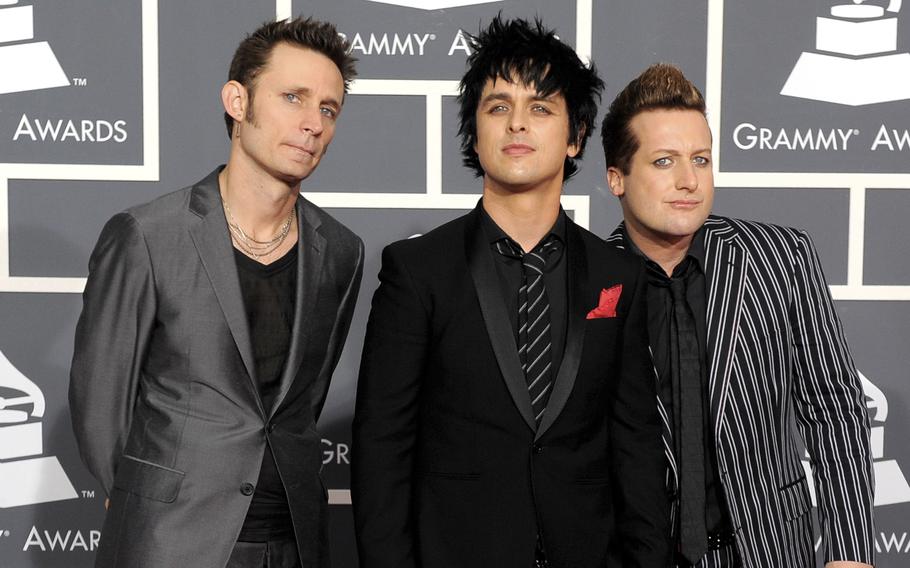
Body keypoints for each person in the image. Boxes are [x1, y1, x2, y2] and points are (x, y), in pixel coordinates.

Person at [352, 16, 670, 568]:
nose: (517, 124)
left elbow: (636, 447)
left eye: (541, 108)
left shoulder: (618, 276)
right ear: (475, 133)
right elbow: (382, 448)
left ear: (574, 137)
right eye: (498, 107)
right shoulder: (417, 270)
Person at [69, 17, 363, 568]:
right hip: (169, 540)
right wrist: (149, 505)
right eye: (292, 98)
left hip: (296, 541)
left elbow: (303, 404)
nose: (312, 123)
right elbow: (99, 406)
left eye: (327, 109)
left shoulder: (341, 250)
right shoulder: (148, 234)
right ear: (236, 100)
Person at [602, 63, 874, 568]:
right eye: (664, 162)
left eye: (701, 160)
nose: (689, 181)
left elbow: (835, 408)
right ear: (617, 178)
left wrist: (849, 554)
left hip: (771, 552)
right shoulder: (588, 283)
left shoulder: (780, 257)